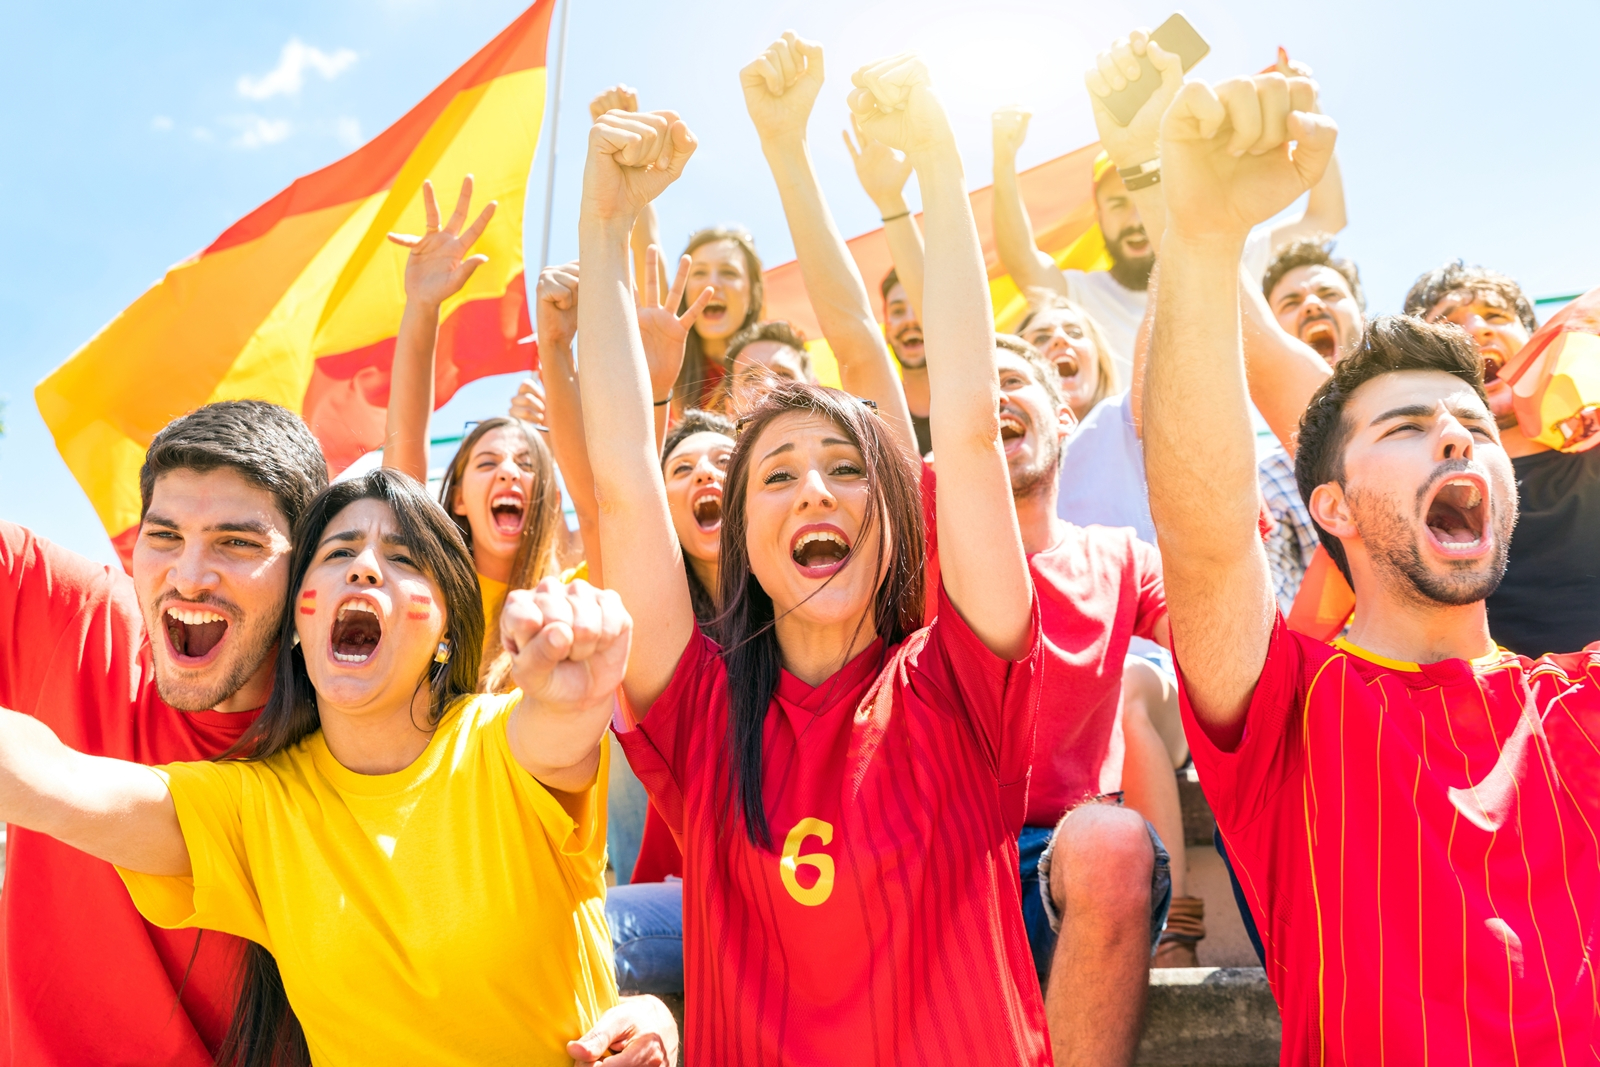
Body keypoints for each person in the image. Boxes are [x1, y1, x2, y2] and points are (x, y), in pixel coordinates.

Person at [578, 40, 1049, 1064]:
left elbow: (964, 428)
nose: (815, 491)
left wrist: (933, 161)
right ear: (741, 533)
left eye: (845, 468)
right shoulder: (702, 711)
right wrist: (605, 222)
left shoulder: (958, 683)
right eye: (777, 474)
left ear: (895, 518)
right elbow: (621, 475)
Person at [1146, 66, 1600, 1065]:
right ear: (1330, 507)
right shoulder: (1290, 710)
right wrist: (1206, 237)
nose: (1456, 442)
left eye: (1476, 426)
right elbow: (1203, 529)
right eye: (1407, 425)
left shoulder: (1579, 702)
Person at [0, 467, 677, 1066]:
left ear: (446, 626)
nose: (365, 568)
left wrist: (577, 684)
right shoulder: (252, 806)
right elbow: (58, 782)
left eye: (404, 557)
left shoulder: (502, 741)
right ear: (297, 618)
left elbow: (557, 726)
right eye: (339, 551)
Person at [0, 401, 323, 1065]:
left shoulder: (344, 756)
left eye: (238, 541)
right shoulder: (81, 612)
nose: (190, 574)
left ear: (307, 572)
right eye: (166, 535)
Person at [993, 38, 1348, 377]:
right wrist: (1003, 157)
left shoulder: (1229, 257)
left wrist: (1307, 111)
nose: (1135, 219)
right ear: (1098, 215)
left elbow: (1326, 219)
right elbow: (1021, 260)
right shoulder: (1083, 296)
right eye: (1117, 204)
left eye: (1145, 196)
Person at [380, 176, 573, 672]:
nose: (509, 472)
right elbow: (403, 452)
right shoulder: (431, 584)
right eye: (487, 461)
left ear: (550, 494)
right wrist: (422, 306)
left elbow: (606, 504)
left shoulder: (578, 582)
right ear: (459, 496)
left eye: (528, 464)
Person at [1405, 261, 1600, 655]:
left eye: (1496, 315)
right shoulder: (1411, 487)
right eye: (1448, 322)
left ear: (1537, 342)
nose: (1478, 328)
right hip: (1503, 709)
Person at [1257, 238, 1367, 610]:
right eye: (1291, 302)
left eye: (1328, 293)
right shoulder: (1270, 478)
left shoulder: (1434, 427)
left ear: (1362, 318)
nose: (1313, 304)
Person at [842, 119, 933, 454]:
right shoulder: (872, 419)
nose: (910, 319)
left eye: (917, 306)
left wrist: (891, 201)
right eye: (897, 310)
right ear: (887, 328)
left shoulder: (979, 392)